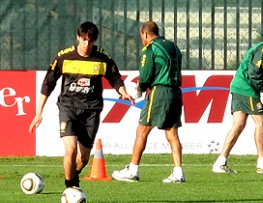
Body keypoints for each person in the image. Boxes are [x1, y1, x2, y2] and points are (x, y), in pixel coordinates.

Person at [29, 21, 134, 188]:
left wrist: (122, 91)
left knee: (83, 158)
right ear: (78, 37)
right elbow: (48, 83)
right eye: (84, 39)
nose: (87, 44)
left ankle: (71, 180)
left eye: (90, 41)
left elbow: (115, 78)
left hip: (91, 111)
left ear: (94, 41)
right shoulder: (64, 57)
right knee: (70, 149)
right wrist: (38, 113)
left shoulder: (102, 58)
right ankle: (70, 188)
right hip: (68, 108)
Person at [112, 21, 185, 183]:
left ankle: (133, 169)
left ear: (145, 34)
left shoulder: (150, 49)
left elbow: (145, 75)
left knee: (142, 130)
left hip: (160, 92)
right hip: (175, 92)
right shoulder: (174, 47)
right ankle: (178, 172)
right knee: (172, 134)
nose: (142, 40)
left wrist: (139, 90)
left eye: (142, 37)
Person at [212, 22, 263, 174]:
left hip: (240, 87)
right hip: (246, 88)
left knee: (238, 125)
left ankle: (220, 162)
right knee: (262, 122)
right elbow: (253, 74)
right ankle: (262, 163)